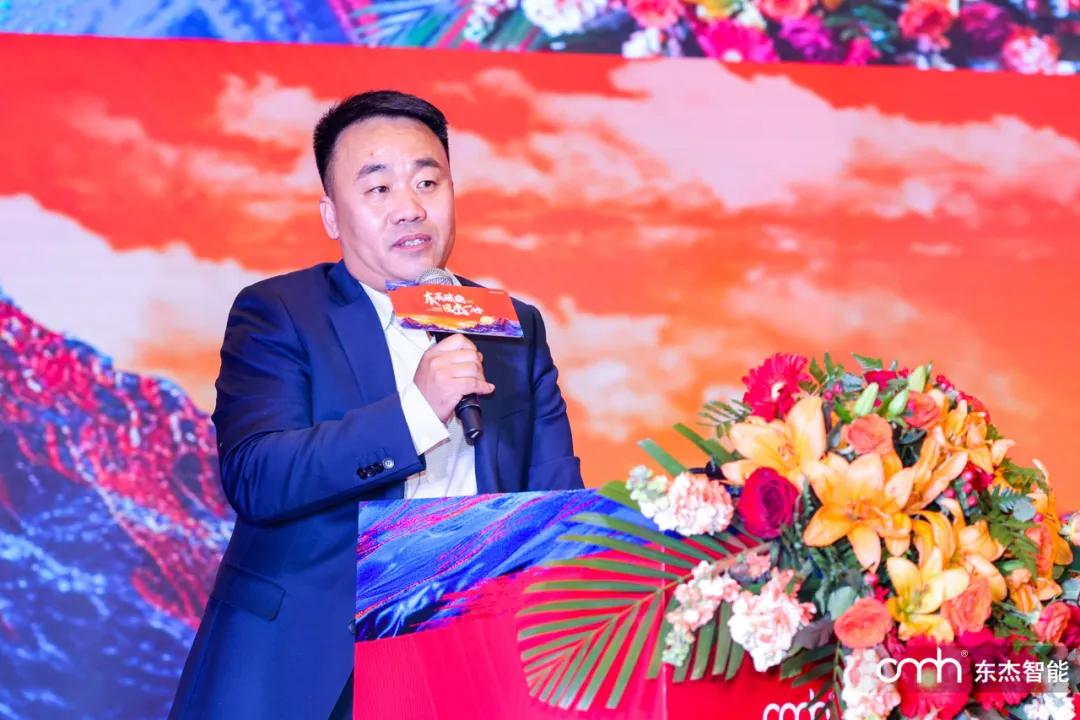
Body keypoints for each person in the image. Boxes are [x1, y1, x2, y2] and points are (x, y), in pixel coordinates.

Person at [169, 90, 583, 720]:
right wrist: (417, 412)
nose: (410, 208)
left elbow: (553, 494)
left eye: (427, 182)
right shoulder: (280, 312)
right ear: (332, 216)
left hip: (466, 661)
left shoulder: (512, 325)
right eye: (379, 188)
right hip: (310, 666)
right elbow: (258, 476)